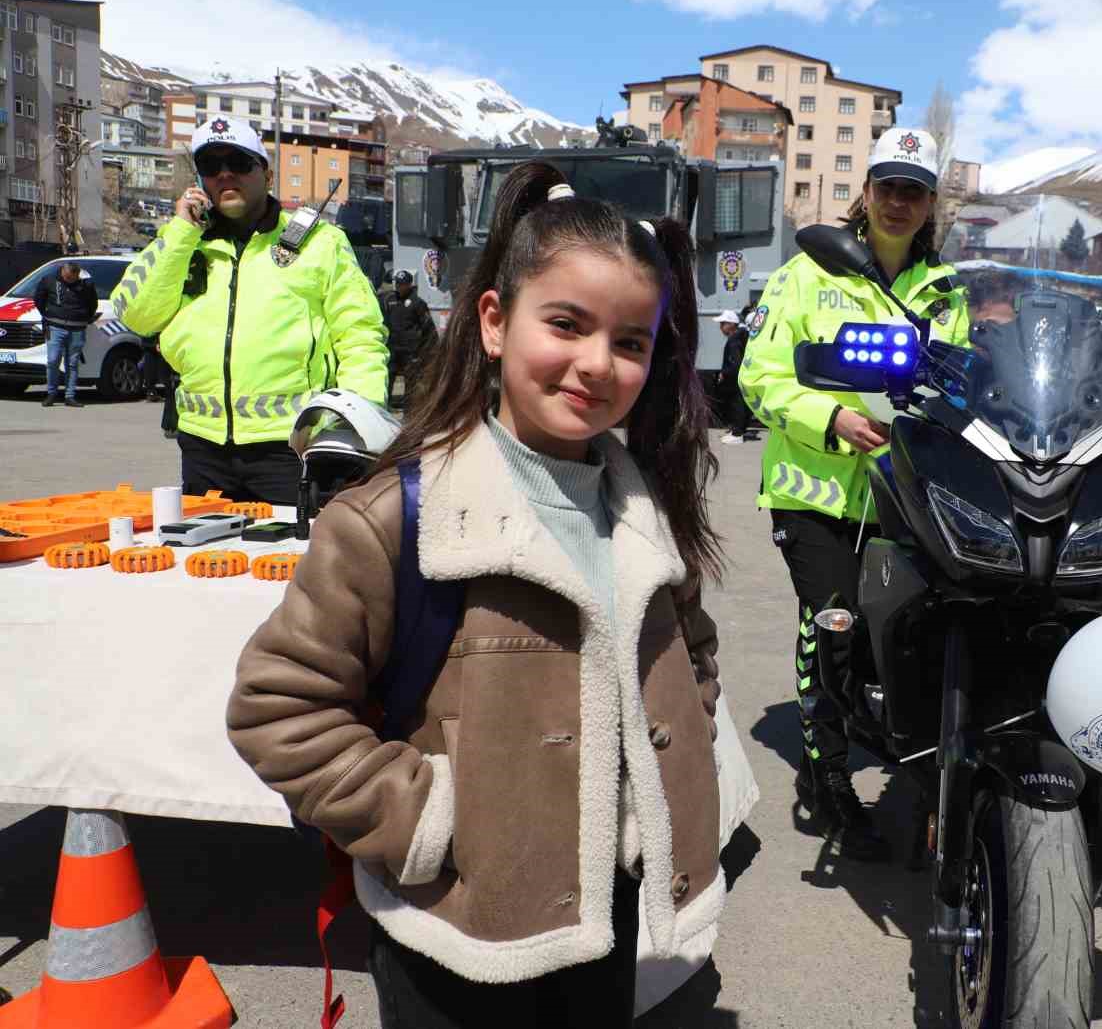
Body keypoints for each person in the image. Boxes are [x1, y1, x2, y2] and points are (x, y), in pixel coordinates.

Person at [228, 162, 725, 1026]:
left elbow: (696, 658)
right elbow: (279, 709)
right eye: (565, 325)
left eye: (630, 342)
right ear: (494, 322)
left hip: (611, 918)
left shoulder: (649, 510)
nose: (594, 365)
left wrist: (676, 771)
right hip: (454, 932)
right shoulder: (392, 520)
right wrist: (431, 824)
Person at [740, 127, 968, 860]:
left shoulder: (947, 291)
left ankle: (930, 769)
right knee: (834, 625)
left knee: (916, 633)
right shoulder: (808, 273)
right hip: (815, 495)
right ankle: (827, 773)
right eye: (888, 186)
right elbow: (759, 379)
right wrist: (832, 418)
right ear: (864, 193)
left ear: (932, 203)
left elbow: (959, 389)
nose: (899, 202)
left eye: (915, 190)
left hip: (909, 499)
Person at [108, 116, 388, 505]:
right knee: (207, 563)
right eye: (211, 167)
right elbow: (136, 313)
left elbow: (361, 337)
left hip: (290, 448)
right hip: (203, 448)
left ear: (267, 175)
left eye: (239, 164)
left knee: (292, 564)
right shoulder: (186, 243)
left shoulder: (320, 244)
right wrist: (181, 232)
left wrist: (354, 428)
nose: (225, 176)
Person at [33, 261, 99, 407]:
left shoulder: (86, 285)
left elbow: (93, 304)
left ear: (77, 274)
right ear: (62, 271)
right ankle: (51, 394)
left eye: (72, 278)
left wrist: (83, 317)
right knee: (52, 360)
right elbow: (38, 298)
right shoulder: (48, 280)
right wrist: (47, 314)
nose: (69, 280)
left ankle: (70, 396)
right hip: (55, 327)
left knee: (72, 363)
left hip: (77, 329)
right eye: (67, 277)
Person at [380, 269, 436, 404]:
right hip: (393, 349)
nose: (399, 287)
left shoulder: (417, 302)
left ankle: (408, 412)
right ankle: (385, 406)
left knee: (411, 382)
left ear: (409, 284)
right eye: (397, 283)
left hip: (411, 351)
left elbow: (428, 327)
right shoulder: (389, 299)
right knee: (388, 378)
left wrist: (430, 350)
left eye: (402, 284)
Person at [716, 308, 754, 444]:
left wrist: (724, 373)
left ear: (731, 324)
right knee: (742, 404)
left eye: (723, 324)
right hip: (743, 377)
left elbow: (735, 363)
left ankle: (737, 434)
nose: (721, 327)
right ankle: (739, 431)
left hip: (736, 379)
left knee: (736, 404)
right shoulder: (741, 336)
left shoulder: (734, 340)